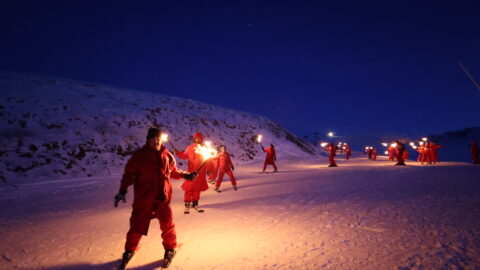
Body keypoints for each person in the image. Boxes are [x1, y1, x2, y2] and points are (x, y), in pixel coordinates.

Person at [114, 128, 197, 270]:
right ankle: (129, 250)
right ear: (148, 140)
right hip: (144, 197)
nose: (156, 141)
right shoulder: (140, 156)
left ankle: (170, 248)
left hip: (162, 197)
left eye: (158, 139)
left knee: (167, 223)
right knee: (137, 224)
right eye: (152, 139)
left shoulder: (167, 155)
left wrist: (185, 175)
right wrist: (123, 190)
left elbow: (173, 172)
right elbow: (129, 174)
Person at [175, 132, 209, 214]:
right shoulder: (190, 147)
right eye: (197, 138)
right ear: (194, 139)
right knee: (189, 187)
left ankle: (195, 202)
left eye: (200, 138)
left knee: (197, 188)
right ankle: (187, 202)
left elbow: (210, 158)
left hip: (201, 172)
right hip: (191, 171)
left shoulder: (205, 148)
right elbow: (185, 156)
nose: (198, 139)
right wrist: (178, 153)